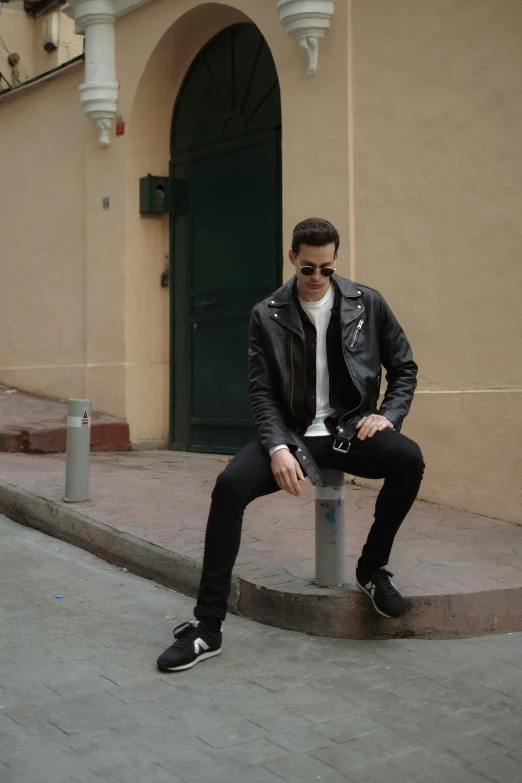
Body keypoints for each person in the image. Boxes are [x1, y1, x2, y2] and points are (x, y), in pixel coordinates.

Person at [157, 217, 424, 672]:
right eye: (307, 268)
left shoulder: (368, 304)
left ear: (335, 261)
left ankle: (371, 570)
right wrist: (278, 447)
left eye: (326, 268)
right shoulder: (267, 313)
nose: (317, 278)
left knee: (409, 459)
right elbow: (261, 394)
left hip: (349, 431)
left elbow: (405, 368)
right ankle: (207, 627)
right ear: (292, 259)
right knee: (229, 486)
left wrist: (388, 415)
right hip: (293, 435)